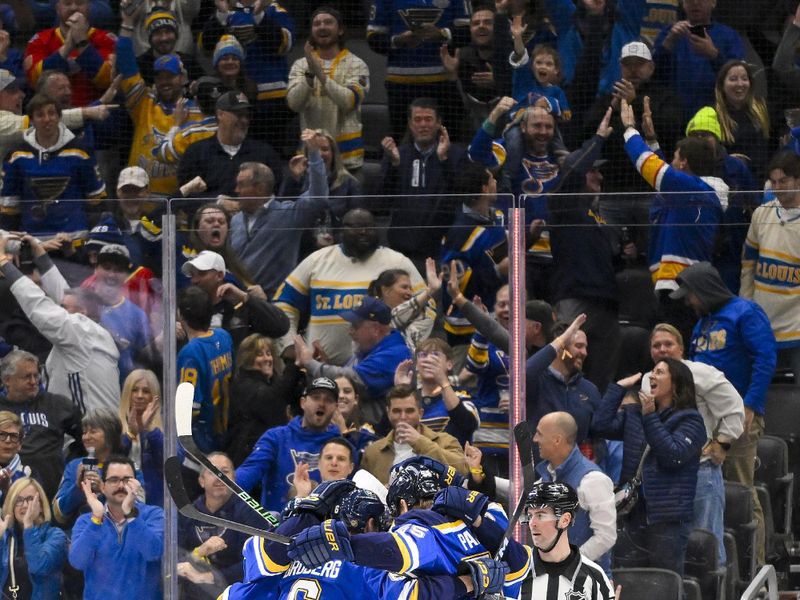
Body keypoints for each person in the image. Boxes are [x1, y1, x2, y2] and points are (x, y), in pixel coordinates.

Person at [671, 261, 777, 566]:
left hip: (738, 416)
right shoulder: (701, 324)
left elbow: (765, 357)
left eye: (690, 295)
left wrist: (750, 405)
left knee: (742, 490)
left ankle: (755, 566)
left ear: (704, 290)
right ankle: (725, 568)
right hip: (705, 422)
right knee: (711, 491)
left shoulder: (745, 312)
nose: (689, 302)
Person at [619, 98, 725, 344]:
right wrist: (653, 140)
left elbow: (649, 166)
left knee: (677, 353)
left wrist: (629, 129)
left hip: (683, 286)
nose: (671, 163)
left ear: (684, 163)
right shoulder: (690, 191)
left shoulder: (691, 189)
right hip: (677, 284)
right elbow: (668, 179)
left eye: (676, 158)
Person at [593, 359, 707, 576]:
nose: (652, 376)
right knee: (627, 580)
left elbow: (672, 455)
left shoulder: (691, 421)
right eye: (652, 371)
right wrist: (619, 388)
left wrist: (650, 415)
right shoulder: (635, 413)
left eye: (660, 372)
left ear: (675, 385)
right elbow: (600, 425)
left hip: (667, 519)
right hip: (632, 512)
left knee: (663, 582)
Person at [643, 322, 744, 566]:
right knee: (675, 553)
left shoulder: (702, 372)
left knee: (705, 547)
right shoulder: (650, 379)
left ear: (681, 347)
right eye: (657, 345)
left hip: (700, 471)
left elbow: (735, 408)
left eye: (669, 343)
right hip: (666, 479)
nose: (663, 349)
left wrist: (723, 443)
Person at [274, 208, 427, 367]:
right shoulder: (317, 260)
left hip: (380, 369)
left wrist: (409, 344)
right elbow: (283, 303)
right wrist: (288, 344)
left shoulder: (397, 262)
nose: (363, 232)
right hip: (318, 370)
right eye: (356, 227)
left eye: (369, 227)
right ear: (341, 230)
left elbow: (427, 307)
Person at [0, 234, 120, 415]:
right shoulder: (89, 330)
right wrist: (39, 253)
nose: (59, 308)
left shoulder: (80, 331)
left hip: (88, 434)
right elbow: (64, 294)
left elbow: (37, 304)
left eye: (63, 308)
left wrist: (3, 262)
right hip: (94, 430)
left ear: (83, 313)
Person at [228, 136, 329, 297]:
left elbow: (319, 198)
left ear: (260, 189)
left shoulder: (288, 215)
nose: (236, 191)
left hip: (276, 302)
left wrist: (315, 155)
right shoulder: (235, 220)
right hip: (238, 299)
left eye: (241, 185)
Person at [117, 17, 201, 197]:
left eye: (170, 76)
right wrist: (127, 24)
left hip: (179, 203)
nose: (165, 82)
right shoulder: (143, 104)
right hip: (141, 202)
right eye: (160, 77)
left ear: (182, 78)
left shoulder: (196, 111)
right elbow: (126, 64)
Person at [1, 93, 106, 237]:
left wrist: (95, 240)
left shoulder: (81, 153)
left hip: (75, 238)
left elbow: (97, 201)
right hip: (32, 241)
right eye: (40, 115)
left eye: (51, 113)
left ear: (59, 117)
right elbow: (9, 208)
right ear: (31, 120)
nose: (47, 120)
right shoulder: (16, 156)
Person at [293, 297, 412, 421]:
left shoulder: (396, 354)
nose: (350, 331)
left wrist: (310, 363)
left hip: (376, 435)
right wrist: (322, 364)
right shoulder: (365, 351)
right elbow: (344, 380)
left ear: (376, 329)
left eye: (355, 326)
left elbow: (354, 379)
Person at [366, 0, 469, 141]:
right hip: (400, 85)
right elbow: (373, 38)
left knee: (450, 139)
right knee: (398, 140)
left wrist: (442, 34)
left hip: (443, 83)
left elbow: (468, 31)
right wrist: (398, 41)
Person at [235, 377, 341, 511]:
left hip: (324, 528)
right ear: (303, 402)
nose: (321, 404)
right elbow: (250, 470)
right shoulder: (276, 437)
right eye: (316, 397)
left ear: (336, 408)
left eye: (328, 400)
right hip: (276, 526)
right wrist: (229, 486)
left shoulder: (342, 446)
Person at [381, 98, 465, 270]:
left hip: (441, 249)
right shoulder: (397, 155)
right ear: (410, 124)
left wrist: (444, 161)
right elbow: (381, 202)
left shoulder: (455, 155)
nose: (423, 125)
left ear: (439, 123)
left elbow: (461, 196)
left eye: (428, 119)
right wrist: (394, 166)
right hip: (402, 250)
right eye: (418, 120)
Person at [199, 0, 296, 148]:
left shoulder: (273, 10)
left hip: (273, 101)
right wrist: (222, 16)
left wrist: (260, 18)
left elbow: (284, 44)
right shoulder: (225, 11)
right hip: (233, 101)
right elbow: (205, 47)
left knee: (271, 153)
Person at [287, 6, 370, 172]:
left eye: (328, 22)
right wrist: (310, 76)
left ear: (340, 30)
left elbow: (348, 101)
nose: (322, 27)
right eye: (317, 24)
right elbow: (294, 104)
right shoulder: (301, 65)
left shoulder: (357, 65)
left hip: (347, 158)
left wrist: (321, 75)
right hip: (309, 157)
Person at [741, 151, 800, 383]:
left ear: (798, 180)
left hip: (797, 324)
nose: (777, 187)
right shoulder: (761, 214)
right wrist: (746, 302)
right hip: (762, 320)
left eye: (783, 181)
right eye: (773, 182)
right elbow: (748, 262)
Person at [69, 456, 163, 600]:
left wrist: (130, 514)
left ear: (137, 484)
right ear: (102, 486)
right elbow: (77, 561)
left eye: (127, 480)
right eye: (113, 480)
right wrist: (96, 519)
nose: (120, 486)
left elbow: (153, 553)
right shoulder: (86, 521)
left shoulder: (153, 515)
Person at [533, 411, 616, 575]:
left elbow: (606, 537)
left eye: (539, 434)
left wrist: (569, 561)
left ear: (557, 440)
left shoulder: (593, 480)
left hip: (589, 581)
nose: (535, 439)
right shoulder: (548, 476)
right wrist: (482, 478)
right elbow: (521, 493)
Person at [440, 162, 508, 348]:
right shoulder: (460, 233)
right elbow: (453, 282)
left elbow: (499, 258)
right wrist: (497, 271)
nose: (496, 182)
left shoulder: (494, 222)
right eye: (492, 179)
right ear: (484, 188)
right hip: (466, 329)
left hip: (495, 320)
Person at [0, 350, 83, 499]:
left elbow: (85, 437)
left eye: (36, 375)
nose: (33, 381)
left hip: (51, 490)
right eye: (26, 377)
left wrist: (71, 461)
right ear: (7, 380)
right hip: (5, 490)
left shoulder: (57, 404)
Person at [178, 452, 261, 599]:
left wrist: (212, 577)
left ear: (234, 479)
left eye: (225, 471)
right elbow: (175, 565)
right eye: (212, 472)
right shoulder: (187, 514)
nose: (220, 477)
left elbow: (255, 562)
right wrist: (199, 552)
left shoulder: (249, 513)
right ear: (201, 481)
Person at [177, 91, 283, 199]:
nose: (244, 120)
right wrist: (217, 204)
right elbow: (185, 198)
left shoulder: (264, 152)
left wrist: (241, 206)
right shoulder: (196, 153)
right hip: (209, 214)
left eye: (247, 115)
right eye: (238, 114)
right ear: (220, 114)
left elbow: (274, 195)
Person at [518, 482, 615, 598]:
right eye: (530, 516)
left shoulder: (595, 577)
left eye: (540, 515)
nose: (532, 523)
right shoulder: (516, 570)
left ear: (565, 520)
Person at [653, 0, 746, 116]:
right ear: (683, 3)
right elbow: (653, 77)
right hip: (673, 116)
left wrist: (714, 55)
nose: (695, 3)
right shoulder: (669, 34)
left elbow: (739, 80)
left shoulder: (729, 36)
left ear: (713, 3)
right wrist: (668, 44)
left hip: (716, 114)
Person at [180, 250, 289, 348]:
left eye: (202, 274)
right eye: (192, 275)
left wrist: (246, 298)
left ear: (219, 276)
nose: (195, 280)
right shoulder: (190, 311)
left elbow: (281, 326)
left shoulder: (241, 306)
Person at [360, 385, 468, 484]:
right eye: (397, 411)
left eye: (409, 411)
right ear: (388, 413)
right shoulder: (372, 452)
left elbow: (463, 472)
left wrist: (421, 443)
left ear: (420, 413)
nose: (403, 417)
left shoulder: (446, 441)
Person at [525, 313, 601, 451]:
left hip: (575, 469)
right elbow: (525, 371)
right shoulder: (537, 380)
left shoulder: (590, 390)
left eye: (585, 347)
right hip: (538, 468)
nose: (584, 353)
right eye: (578, 346)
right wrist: (564, 338)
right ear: (561, 348)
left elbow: (598, 436)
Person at [53, 408, 142, 526]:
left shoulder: (128, 468)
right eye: (84, 432)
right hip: (81, 537)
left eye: (93, 431)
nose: (86, 437)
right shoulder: (74, 466)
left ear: (110, 434)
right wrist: (78, 488)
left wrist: (104, 490)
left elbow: (141, 507)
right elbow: (58, 513)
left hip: (120, 536)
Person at [227, 333, 302, 466]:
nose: (267, 358)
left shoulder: (271, 380)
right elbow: (273, 400)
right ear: (248, 359)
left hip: (270, 452)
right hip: (248, 458)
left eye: (268, 353)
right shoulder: (243, 384)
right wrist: (292, 364)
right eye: (260, 355)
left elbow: (286, 393)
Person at [177, 285, 235, 455]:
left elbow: (190, 408)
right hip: (225, 431)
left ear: (181, 315)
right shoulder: (223, 336)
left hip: (203, 439)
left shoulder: (190, 353)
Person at [23, 0, 115, 106]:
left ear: (89, 8)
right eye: (67, 3)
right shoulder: (40, 40)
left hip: (97, 114)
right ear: (58, 9)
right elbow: (36, 80)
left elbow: (106, 79)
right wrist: (67, 47)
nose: (73, 8)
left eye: (80, 3)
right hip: (52, 115)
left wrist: (81, 42)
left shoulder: (106, 39)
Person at [394, 338, 479, 446]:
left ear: (449, 364)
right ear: (416, 365)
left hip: (451, 460)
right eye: (423, 355)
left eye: (435, 355)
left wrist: (443, 382)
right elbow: (386, 430)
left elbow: (468, 425)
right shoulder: (412, 397)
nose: (429, 359)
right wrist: (401, 392)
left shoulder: (463, 394)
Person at [0, 477, 68, 599]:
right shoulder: (6, 536)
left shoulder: (56, 536)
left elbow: (39, 567)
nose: (25, 505)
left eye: (30, 499)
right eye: (19, 500)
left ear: (41, 505)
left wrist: (28, 526)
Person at [714, 59, 770, 180]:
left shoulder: (762, 109)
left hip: (760, 180)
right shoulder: (712, 115)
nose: (740, 84)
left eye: (744, 79)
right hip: (729, 181)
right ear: (722, 85)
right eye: (733, 79)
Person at [366, 261, 437, 351]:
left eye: (410, 289)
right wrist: (428, 292)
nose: (409, 293)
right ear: (386, 291)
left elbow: (394, 321)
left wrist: (429, 292)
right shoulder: (368, 313)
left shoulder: (422, 315)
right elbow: (390, 320)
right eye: (404, 287)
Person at [118, 369, 163, 507]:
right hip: (119, 503)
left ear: (153, 396)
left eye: (146, 391)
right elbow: (110, 459)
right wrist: (130, 434)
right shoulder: (114, 425)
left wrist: (149, 430)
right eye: (134, 390)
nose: (139, 396)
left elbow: (172, 462)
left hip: (155, 505)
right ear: (127, 394)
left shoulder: (167, 426)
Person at [134, 9, 203, 85]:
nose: (164, 38)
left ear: (176, 35)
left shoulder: (189, 63)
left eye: (168, 32)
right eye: (157, 33)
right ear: (150, 38)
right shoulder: (139, 66)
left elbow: (204, 81)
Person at [291, 436, 356, 497]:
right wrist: (302, 495)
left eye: (341, 459)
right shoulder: (305, 494)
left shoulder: (359, 501)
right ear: (319, 464)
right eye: (329, 458)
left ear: (351, 467)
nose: (334, 463)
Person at [0, 412, 32, 505]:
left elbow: (31, 514)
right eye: (2, 435)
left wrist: (7, 490)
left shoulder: (29, 474)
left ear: (20, 444)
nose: (8, 440)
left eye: (14, 436)